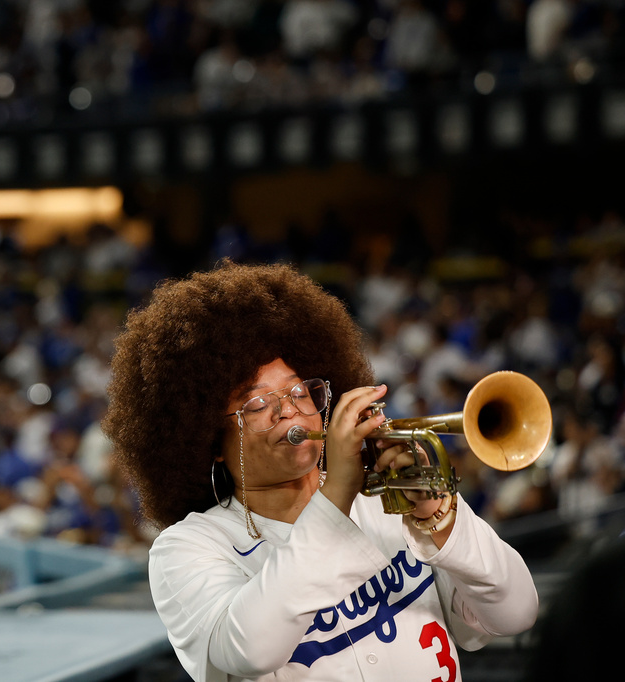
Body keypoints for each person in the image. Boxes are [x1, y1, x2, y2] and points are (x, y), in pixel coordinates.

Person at [102, 261, 539, 681]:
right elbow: (251, 649)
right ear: (207, 441)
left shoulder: (397, 497)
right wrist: (336, 497)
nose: (287, 407)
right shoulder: (187, 548)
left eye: (299, 390)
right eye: (256, 403)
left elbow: (517, 612)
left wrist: (438, 514)